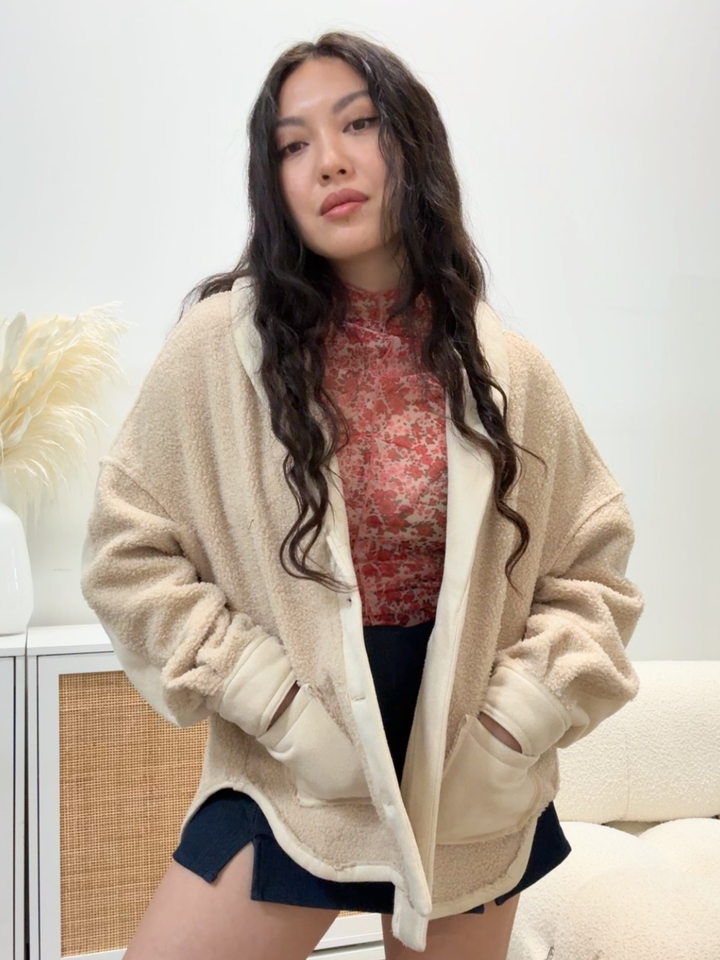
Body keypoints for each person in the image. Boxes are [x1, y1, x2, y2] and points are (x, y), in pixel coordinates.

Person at [80, 30, 645, 960]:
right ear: (274, 182)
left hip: (466, 765)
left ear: (410, 144)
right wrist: (270, 700)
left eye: (358, 124)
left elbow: (593, 567)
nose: (329, 162)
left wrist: (513, 727)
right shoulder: (219, 351)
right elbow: (125, 554)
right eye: (293, 145)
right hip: (297, 761)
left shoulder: (507, 371)